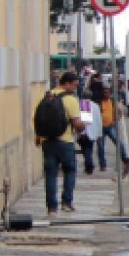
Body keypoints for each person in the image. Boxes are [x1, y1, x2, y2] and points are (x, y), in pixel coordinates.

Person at [37, 71, 85, 215]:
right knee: (70, 171)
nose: (75, 88)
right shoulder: (70, 100)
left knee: (50, 174)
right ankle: (66, 202)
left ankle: (51, 208)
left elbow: (38, 118)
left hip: (47, 141)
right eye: (74, 85)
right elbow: (77, 124)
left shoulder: (47, 96)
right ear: (67, 83)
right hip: (65, 141)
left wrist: (38, 136)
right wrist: (84, 126)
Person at [97, 86, 129, 172]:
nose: (106, 94)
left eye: (107, 92)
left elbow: (120, 111)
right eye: (104, 93)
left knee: (119, 143)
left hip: (110, 126)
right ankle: (102, 165)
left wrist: (115, 120)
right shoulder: (98, 103)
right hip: (100, 128)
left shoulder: (112, 102)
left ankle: (124, 159)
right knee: (101, 147)